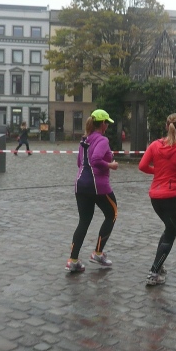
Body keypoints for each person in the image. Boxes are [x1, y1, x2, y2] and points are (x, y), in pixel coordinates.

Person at [138, 113, 176, 286]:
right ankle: (153, 272)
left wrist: (156, 171)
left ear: (166, 127)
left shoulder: (154, 145)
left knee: (168, 229)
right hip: (173, 197)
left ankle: (159, 264)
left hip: (155, 197)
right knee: (170, 234)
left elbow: (142, 166)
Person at [65, 109, 119, 272]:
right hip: (98, 185)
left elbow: (79, 162)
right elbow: (95, 159)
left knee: (84, 221)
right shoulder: (102, 140)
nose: (107, 126)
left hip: (80, 184)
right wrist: (110, 165)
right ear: (102, 124)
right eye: (107, 123)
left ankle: (73, 260)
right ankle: (98, 253)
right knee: (112, 214)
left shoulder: (85, 139)